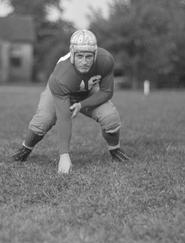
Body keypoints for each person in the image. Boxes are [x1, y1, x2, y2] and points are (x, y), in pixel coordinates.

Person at [10, 29, 129, 174]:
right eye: (79, 56)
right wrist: (64, 155)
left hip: (86, 92)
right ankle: (25, 148)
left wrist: (82, 105)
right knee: (44, 120)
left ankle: (114, 150)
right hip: (61, 92)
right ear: (72, 55)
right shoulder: (61, 75)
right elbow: (64, 118)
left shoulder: (105, 60)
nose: (84, 62)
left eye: (88, 57)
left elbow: (106, 92)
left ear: (95, 55)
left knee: (111, 118)